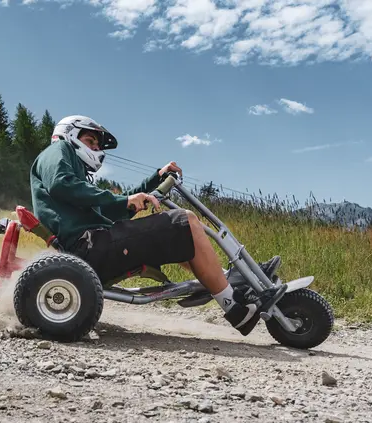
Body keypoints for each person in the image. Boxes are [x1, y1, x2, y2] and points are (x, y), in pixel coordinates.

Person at [29, 115, 286, 336]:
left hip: (96, 244)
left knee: (178, 234)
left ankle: (229, 280)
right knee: (184, 221)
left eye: (98, 144)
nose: (97, 148)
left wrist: (155, 180)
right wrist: (125, 199)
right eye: (90, 141)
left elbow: (113, 207)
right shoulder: (57, 152)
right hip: (89, 246)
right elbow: (61, 184)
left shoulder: (80, 178)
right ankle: (234, 307)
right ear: (69, 134)